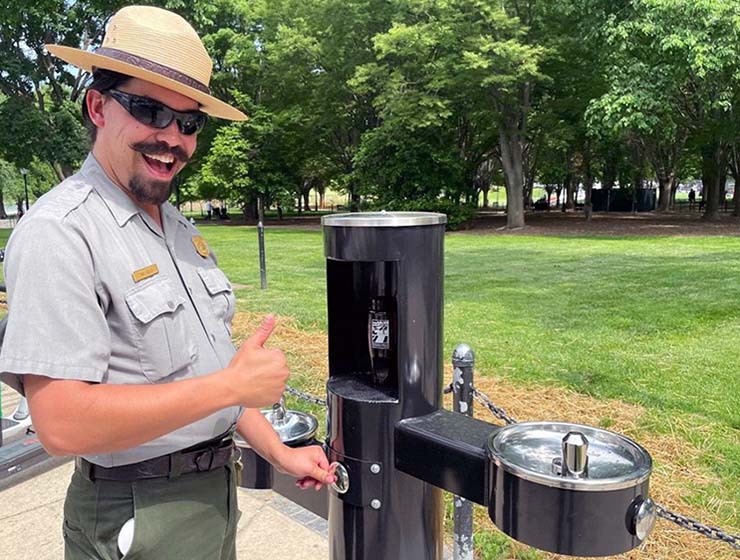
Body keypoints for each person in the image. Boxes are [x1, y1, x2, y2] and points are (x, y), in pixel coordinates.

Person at [0, 6, 334, 560]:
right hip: (137, 512)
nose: (172, 137)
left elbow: (210, 373)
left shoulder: (176, 227)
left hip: (209, 497)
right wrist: (232, 388)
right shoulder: (61, 231)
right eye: (150, 109)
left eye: (188, 121)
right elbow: (60, 422)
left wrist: (278, 451)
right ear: (99, 106)